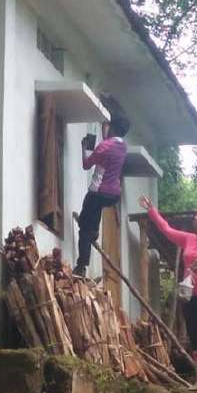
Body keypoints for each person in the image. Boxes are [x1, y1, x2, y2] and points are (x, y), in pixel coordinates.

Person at [140, 196, 197, 388]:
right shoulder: (188, 239)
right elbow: (166, 230)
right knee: (195, 335)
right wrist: (152, 211)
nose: (194, 216)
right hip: (190, 295)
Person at [72, 112, 130, 278]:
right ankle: (94, 231)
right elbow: (109, 145)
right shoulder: (122, 146)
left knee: (84, 227)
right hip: (114, 195)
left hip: (99, 191)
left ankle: (81, 266)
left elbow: (86, 165)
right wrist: (106, 132)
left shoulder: (103, 147)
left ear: (111, 128)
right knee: (94, 213)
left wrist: (84, 146)